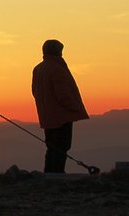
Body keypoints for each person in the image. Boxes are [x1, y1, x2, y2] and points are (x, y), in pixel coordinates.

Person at [31, 39, 89, 173]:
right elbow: (63, 95)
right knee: (62, 146)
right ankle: (56, 173)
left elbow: (35, 91)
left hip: (47, 116)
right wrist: (75, 108)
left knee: (51, 146)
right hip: (61, 116)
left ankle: (50, 173)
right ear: (58, 52)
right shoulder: (57, 69)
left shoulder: (38, 69)